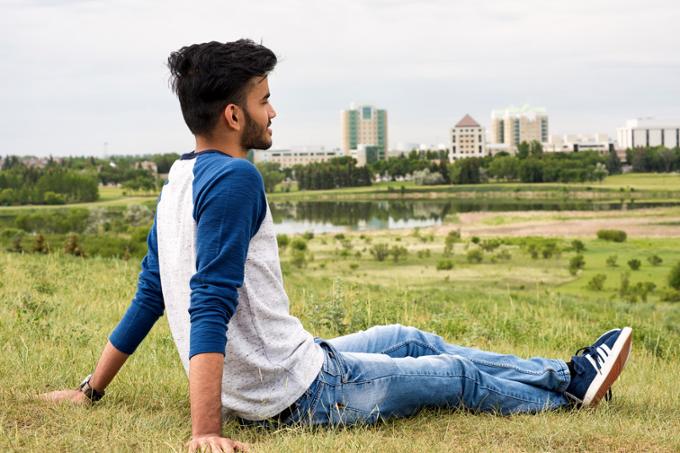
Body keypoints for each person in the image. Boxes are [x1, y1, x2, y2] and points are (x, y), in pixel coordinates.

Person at [41, 40, 633, 453]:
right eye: (263, 99)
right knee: (453, 375)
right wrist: (204, 430)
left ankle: (568, 374)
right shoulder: (235, 178)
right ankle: (568, 393)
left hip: (297, 362)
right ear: (232, 114)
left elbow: (151, 294)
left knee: (409, 338)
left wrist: (91, 391)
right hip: (298, 394)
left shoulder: (178, 179)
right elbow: (205, 304)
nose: (273, 111)